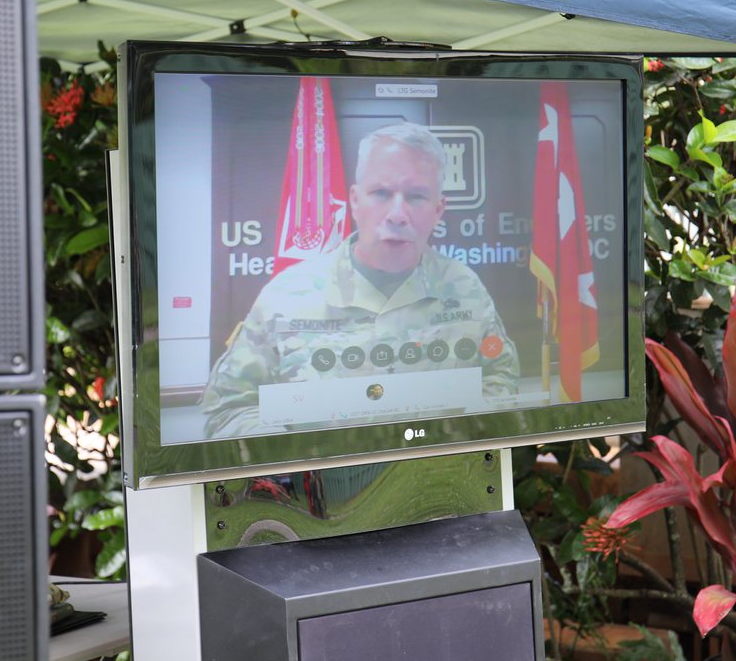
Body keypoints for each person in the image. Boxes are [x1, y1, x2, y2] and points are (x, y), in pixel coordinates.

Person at [199, 122, 519, 438]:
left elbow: (499, 377)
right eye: (381, 193)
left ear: (438, 209)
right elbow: (230, 408)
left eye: (416, 196)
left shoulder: (466, 290)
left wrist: (461, 442)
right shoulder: (286, 296)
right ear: (354, 200)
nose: (397, 214)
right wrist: (292, 458)